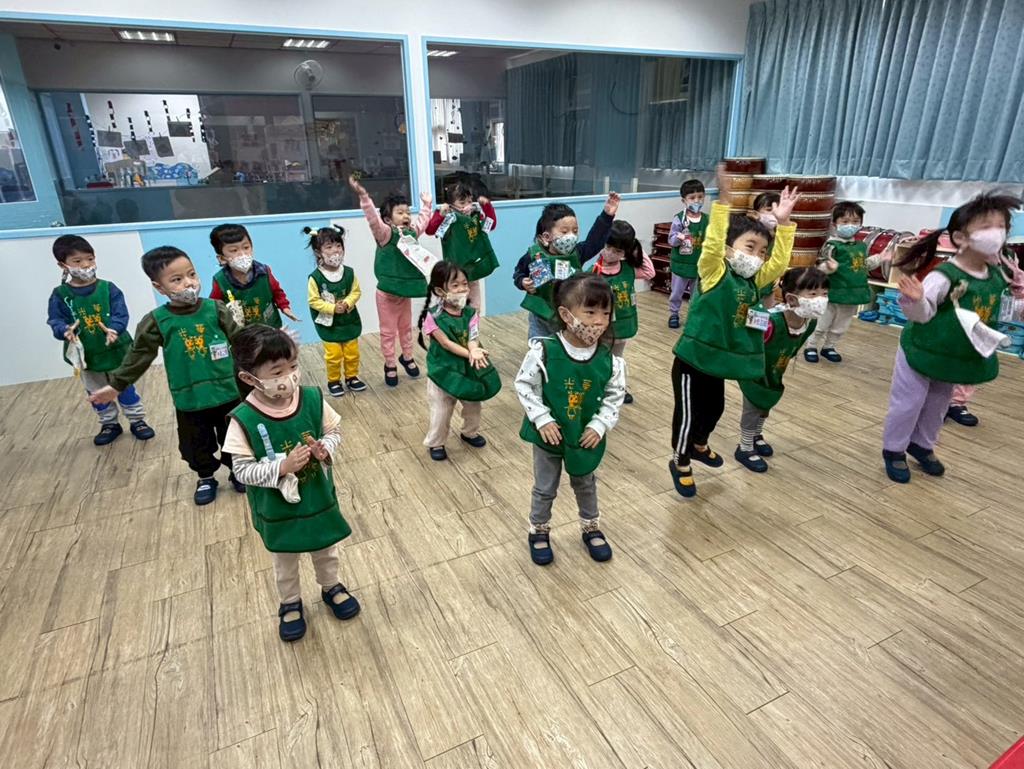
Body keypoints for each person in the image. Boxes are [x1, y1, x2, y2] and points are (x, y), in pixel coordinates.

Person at [668, 164, 797, 498]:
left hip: (719, 363)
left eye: (761, 251)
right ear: (729, 249)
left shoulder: (753, 281)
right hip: (693, 360)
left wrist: (784, 225)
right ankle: (680, 461)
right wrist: (723, 202)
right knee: (688, 415)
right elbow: (712, 244)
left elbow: (779, 265)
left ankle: (699, 445)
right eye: (749, 247)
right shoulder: (714, 271)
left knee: (715, 409)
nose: (757, 256)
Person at [224, 325, 359, 642]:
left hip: (317, 498)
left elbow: (334, 432)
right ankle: (290, 603)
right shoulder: (244, 418)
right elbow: (241, 470)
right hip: (278, 509)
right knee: (285, 560)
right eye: (277, 371)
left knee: (326, 548)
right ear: (249, 378)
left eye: (293, 366)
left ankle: (331, 586)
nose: (289, 376)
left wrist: (326, 448)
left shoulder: (311, 398)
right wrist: (281, 468)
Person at [881, 192, 1024, 483]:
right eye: (986, 227)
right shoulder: (945, 276)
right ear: (960, 237)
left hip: (953, 354)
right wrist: (915, 300)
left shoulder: (997, 274)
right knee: (909, 403)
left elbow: (1007, 313)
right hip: (920, 350)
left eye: (1001, 226)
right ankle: (893, 450)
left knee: (938, 405)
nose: (997, 233)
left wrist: (1019, 295)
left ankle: (922, 445)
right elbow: (922, 315)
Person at [88, 246, 244, 505]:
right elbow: (138, 355)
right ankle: (206, 477)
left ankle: (238, 471)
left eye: (192, 274)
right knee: (196, 443)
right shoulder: (157, 321)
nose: (189, 283)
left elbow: (242, 341)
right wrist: (116, 385)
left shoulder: (215, 309)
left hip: (228, 392)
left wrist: (271, 347)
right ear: (159, 287)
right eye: (177, 279)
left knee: (235, 437)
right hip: (190, 398)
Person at [515, 274, 626, 566]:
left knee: (585, 482)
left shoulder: (610, 360)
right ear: (566, 315)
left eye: (605, 313)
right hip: (549, 435)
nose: (599, 321)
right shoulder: (544, 350)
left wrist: (600, 424)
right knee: (545, 487)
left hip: (583, 435)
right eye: (590, 312)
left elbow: (615, 395)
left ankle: (591, 526)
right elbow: (524, 384)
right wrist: (542, 419)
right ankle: (539, 530)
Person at [46, 234, 155, 445]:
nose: (86, 265)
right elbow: (55, 319)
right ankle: (109, 423)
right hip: (87, 355)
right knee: (96, 393)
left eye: (90, 258)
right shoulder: (60, 294)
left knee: (124, 387)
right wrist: (64, 330)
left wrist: (114, 329)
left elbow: (120, 314)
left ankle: (137, 420)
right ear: (63, 265)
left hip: (116, 351)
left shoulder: (108, 288)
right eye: (77, 261)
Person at [735, 266, 829, 471]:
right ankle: (745, 446)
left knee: (766, 405)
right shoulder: (769, 321)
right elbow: (743, 331)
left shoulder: (809, 323)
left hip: (776, 371)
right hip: (754, 372)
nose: (821, 299)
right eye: (813, 294)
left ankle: (757, 435)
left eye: (824, 293)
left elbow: (795, 346)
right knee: (752, 407)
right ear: (792, 299)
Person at [349, 174, 432, 387]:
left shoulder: (411, 233)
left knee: (406, 328)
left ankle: (407, 357)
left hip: (404, 294)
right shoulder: (385, 234)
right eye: (400, 212)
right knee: (388, 332)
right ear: (388, 219)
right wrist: (364, 197)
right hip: (386, 295)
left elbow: (423, 222)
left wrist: (426, 205)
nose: (406, 216)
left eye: (407, 212)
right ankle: (390, 364)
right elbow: (372, 220)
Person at [417, 262, 501, 461]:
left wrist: (474, 350)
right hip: (443, 370)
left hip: (468, 368)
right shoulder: (432, 316)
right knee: (441, 410)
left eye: (465, 284)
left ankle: (469, 432)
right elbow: (446, 343)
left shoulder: (471, 313)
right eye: (455, 285)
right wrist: (470, 354)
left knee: (473, 403)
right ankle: (436, 442)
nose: (463, 289)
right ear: (440, 291)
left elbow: (473, 337)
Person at [513, 193, 620, 340]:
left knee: (565, 347)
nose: (571, 236)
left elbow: (595, 241)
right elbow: (519, 273)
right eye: (564, 231)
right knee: (540, 347)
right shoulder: (533, 255)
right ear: (546, 237)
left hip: (568, 316)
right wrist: (522, 282)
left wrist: (606, 216)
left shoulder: (577, 253)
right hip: (540, 316)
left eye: (575, 231)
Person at [804, 201, 889, 363]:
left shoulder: (860, 246)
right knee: (822, 323)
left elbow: (862, 265)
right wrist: (829, 267)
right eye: (845, 221)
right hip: (831, 293)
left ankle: (829, 347)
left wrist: (880, 258)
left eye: (855, 221)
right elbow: (819, 267)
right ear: (835, 224)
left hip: (852, 293)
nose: (850, 225)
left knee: (841, 325)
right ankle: (811, 346)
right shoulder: (832, 245)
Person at [586, 219, 656, 404]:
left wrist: (636, 248)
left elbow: (650, 272)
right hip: (602, 329)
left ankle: (619, 389)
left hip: (623, 326)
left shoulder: (628, 269)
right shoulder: (594, 271)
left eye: (617, 251)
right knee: (600, 359)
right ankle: (599, 388)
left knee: (618, 359)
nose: (610, 253)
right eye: (608, 247)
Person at [304, 224, 366, 397]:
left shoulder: (349, 273)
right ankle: (334, 380)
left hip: (349, 320)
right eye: (329, 247)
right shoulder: (315, 278)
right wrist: (332, 308)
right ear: (318, 252)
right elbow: (313, 301)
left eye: (338, 245)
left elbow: (356, 292)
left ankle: (352, 377)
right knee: (334, 354)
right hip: (329, 324)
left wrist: (347, 303)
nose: (335, 251)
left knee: (352, 352)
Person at [425, 180, 498, 309]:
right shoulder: (448, 217)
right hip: (454, 270)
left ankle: (474, 321)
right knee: (454, 304)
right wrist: (440, 214)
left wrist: (487, 207)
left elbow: (490, 225)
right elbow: (430, 230)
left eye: (469, 201)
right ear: (451, 204)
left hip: (473, 267)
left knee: (474, 305)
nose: (467, 206)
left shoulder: (474, 216)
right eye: (462, 203)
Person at [209, 223, 299, 328]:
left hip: (270, 327)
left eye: (246, 247)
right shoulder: (220, 281)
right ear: (222, 258)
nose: (242, 254)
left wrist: (285, 308)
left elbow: (277, 292)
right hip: (242, 333)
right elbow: (214, 307)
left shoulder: (264, 272)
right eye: (234, 250)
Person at [666, 179, 709, 328]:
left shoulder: (707, 220)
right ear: (684, 200)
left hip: (699, 264)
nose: (697, 201)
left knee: (696, 294)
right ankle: (674, 313)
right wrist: (678, 238)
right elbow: (671, 241)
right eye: (692, 198)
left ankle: (693, 315)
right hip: (681, 264)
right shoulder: (679, 219)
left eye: (700, 197)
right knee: (677, 292)